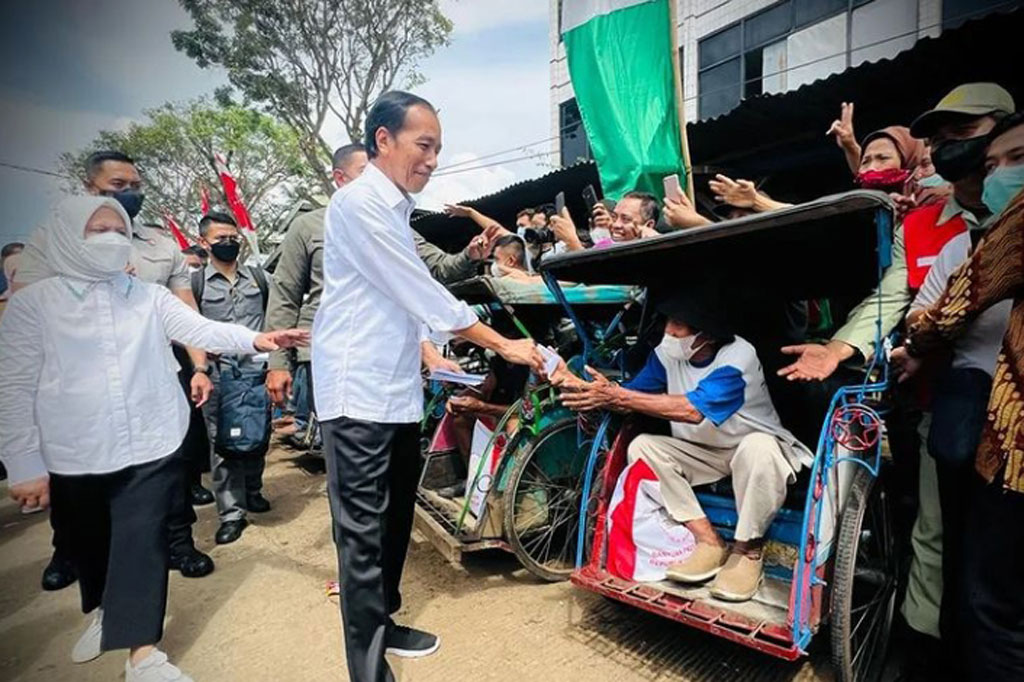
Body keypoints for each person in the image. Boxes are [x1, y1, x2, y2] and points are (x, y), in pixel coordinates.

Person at [0, 195, 308, 682]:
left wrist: (257, 340)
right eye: (95, 231)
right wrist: (22, 461)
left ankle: (143, 655)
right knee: (90, 543)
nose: (110, 240)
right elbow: (12, 385)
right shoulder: (34, 305)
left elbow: (200, 327)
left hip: (151, 439)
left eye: (116, 230)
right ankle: (104, 612)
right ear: (65, 238)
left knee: (142, 540)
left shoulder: (147, 296)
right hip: (73, 449)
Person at [312, 90, 544, 682]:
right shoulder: (359, 203)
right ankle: (368, 672)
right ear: (382, 141)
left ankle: (385, 622)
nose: (433, 159)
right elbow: (420, 290)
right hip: (356, 392)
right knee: (362, 538)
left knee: (391, 523)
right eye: (424, 145)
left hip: (394, 390)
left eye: (437, 148)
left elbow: (406, 298)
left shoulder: (394, 210)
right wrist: (502, 344)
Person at [13, 150, 216, 585]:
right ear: (90, 188)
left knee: (172, 458)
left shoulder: (160, 244)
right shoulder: (55, 237)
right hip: (80, 376)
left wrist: (199, 367)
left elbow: (185, 306)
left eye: (135, 186)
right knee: (77, 472)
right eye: (118, 186)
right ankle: (69, 552)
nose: (130, 194)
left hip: (155, 369)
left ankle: (179, 542)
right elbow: (22, 302)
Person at [553, 290, 811, 602]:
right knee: (644, 446)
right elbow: (633, 396)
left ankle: (748, 551)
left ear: (708, 335)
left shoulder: (739, 357)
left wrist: (618, 396)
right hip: (705, 452)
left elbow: (692, 410)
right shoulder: (668, 354)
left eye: (680, 326)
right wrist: (590, 389)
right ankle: (708, 540)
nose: (670, 332)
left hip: (753, 449)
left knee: (758, 448)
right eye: (670, 323)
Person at [893, 112, 1024, 681]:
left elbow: (938, 315)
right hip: (976, 424)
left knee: (992, 597)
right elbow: (917, 310)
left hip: (1009, 436)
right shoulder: (949, 236)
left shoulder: (998, 239)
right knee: (959, 560)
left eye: (1015, 159)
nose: (999, 175)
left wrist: (923, 337)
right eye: (992, 163)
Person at [264, 142, 495, 444]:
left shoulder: (396, 223)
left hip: (390, 353)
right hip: (335, 353)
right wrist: (278, 362)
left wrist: (470, 255)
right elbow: (285, 294)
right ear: (340, 178)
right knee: (344, 446)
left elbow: (437, 269)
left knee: (384, 453)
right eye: (365, 173)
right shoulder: (308, 226)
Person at [192, 211, 273, 545]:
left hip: (257, 372)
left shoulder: (258, 278)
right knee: (222, 443)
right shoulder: (194, 284)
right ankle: (231, 513)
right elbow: (188, 327)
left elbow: (273, 317)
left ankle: (253, 489)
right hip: (219, 375)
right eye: (219, 238)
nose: (228, 243)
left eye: (232, 237)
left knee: (258, 434)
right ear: (203, 243)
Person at [551, 191, 660, 250]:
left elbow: (595, 277)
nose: (616, 225)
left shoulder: (652, 252)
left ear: (649, 225)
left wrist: (572, 241)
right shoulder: (604, 245)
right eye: (614, 217)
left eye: (626, 219)